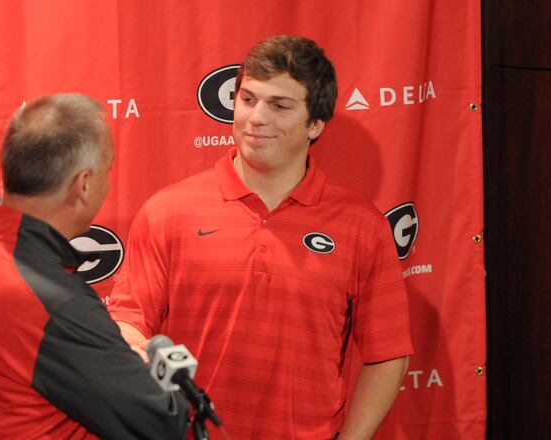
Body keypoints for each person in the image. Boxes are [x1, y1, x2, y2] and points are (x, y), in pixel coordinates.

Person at [109, 36, 413, 439]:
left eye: (279, 106)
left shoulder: (361, 224)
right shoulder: (168, 211)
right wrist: (132, 349)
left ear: (316, 123)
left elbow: (388, 354)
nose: (256, 118)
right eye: (248, 99)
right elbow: (129, 321)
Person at [0, 94, 189, 439]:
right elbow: (163, 423)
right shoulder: (52, 300)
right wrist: (144, 367)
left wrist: (104, 352)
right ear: (84, 185)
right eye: (108, 168)